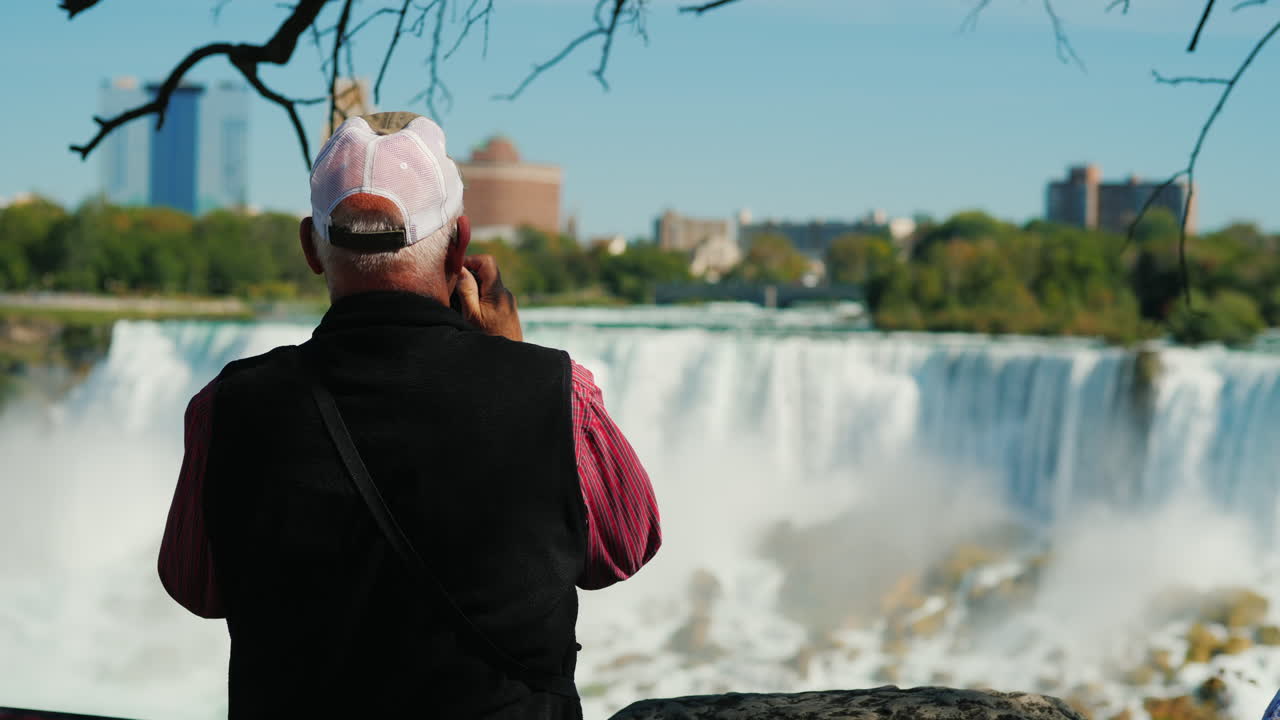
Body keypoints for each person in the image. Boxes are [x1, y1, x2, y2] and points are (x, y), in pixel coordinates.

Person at [158, 111, 661, 718]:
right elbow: (625, 548)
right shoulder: (559, 393)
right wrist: (512, 361)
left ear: (311, 250)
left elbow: (196, 586)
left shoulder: (227, 407)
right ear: (460, 246)